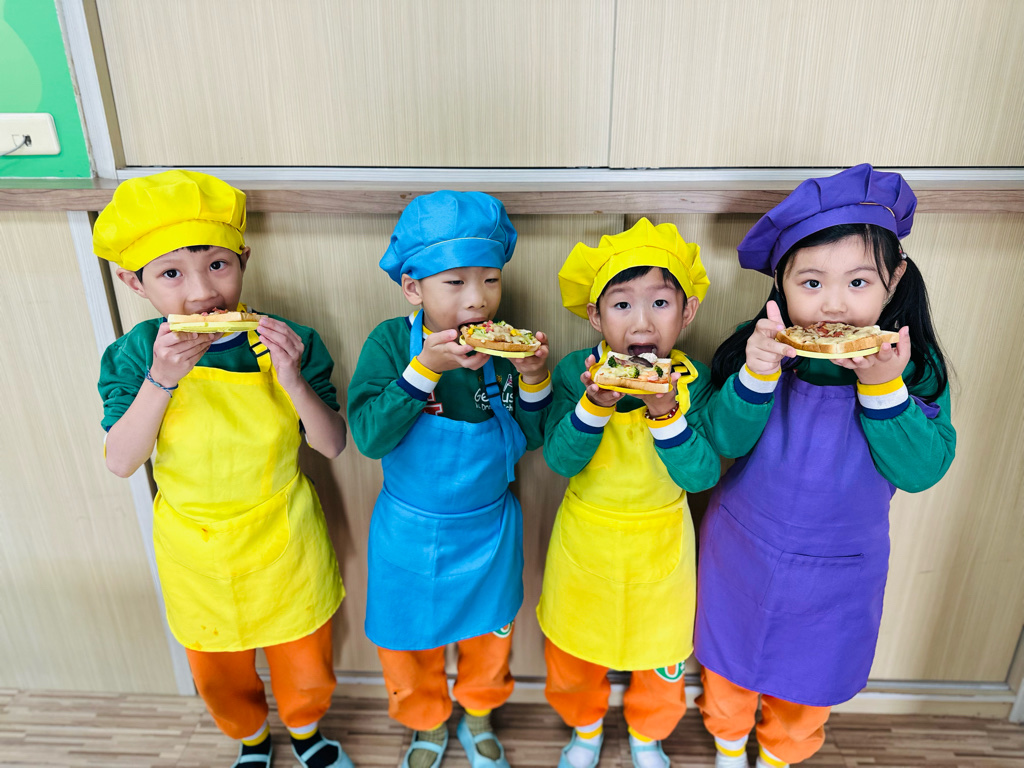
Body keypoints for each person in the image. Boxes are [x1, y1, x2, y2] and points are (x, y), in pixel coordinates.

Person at [696, 164, 956, 768]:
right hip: (742, 552)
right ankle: (728, 748)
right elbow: (720, 441)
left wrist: (883, 387)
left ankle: (779, 757)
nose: (834, 305)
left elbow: (921, 471)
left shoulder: (911, 365)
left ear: (895, 279)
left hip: (839, 574)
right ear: (780, 284)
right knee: (728, 675)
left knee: (806, 692)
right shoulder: (759, 347)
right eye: (811, 283)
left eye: (858, 282)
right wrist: (756, 374)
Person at [95, 170, 351, 768]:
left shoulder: (290, 339)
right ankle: (252, 740)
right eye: (171, 274)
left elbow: (333, 445)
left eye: (218, 265)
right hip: (196, 548)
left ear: (244, 260)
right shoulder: (133, 355)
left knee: (305, 661)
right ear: (133, 282)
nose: (202, 292)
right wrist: (161, 379)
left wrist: (292, 380)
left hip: (286, 536)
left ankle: (308, 732)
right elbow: (121, 461)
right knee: (217, 671)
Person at [347, 190, 551, 768]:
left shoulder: (507, 346)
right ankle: (427, 722)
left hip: (489, 527)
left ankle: (479, 711)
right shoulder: (391, 343)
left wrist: (534, 379)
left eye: (490, 279)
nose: (478, 298)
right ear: (413, 288)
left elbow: (532, 438)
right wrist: (423, 371)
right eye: (455, 282)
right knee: (407, 643)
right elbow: (369, 437)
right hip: (409, 531)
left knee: (490, 638)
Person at [539, 218, 721, 768]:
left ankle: (649, 734)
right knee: (573, 655)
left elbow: (701, 476)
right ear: (595, 316)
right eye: (622, 305)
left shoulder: (695, 381)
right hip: (586, 541)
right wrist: (593, 404)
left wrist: (666, 413)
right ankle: (585, 727)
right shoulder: (574, 372)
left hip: (661, 546)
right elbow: (559, 460)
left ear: (687, 311)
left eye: (660, 303)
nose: (641, 322)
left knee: (661, 659)